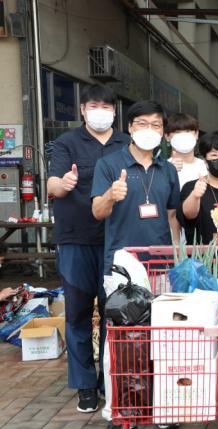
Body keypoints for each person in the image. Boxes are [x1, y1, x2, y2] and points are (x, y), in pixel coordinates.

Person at [91, 101, 180, 429]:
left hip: (161, 265)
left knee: (164, 337)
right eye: (142, 123)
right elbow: (97, 212)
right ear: (129, 127)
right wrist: (110, 196)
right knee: (120, 341)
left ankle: (164, 408)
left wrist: (176, 260)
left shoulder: (167, 169)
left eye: (156, 124)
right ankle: (119, 411)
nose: (149, 130)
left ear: (163, 131)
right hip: (122, 266)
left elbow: (172, 217)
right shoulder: (109, 165)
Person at [47, 84, 128, 414]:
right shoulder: (67, 143)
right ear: (82, 110)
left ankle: (108, 379)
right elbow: (52, 183)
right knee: (78, 314)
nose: (100, 112)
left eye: (106, 106)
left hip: (116, 243)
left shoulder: (126, 143)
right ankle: (84, 385)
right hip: (76, 240)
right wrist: (63, 184)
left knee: (116, 313)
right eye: (94, 106)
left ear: (114, 111)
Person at [165, 112, 208, 189]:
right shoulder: (161, 169)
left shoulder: (207, 166)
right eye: (177, 132)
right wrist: (168, 172)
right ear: (167, 136)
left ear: (196, 134)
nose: (184, 136)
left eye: (188, 131)